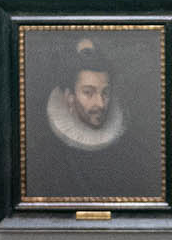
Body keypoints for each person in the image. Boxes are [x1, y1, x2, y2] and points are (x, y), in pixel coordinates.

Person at [30, 38, 145, 201]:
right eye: (88, 92)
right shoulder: (45, 156)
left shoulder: (132, 151)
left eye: (105, 92)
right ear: (70, 98)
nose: (100, 103)